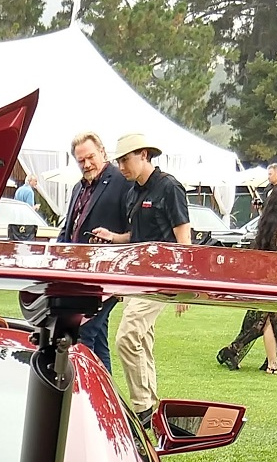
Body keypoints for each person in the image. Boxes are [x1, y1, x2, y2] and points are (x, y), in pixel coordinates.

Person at [102, 132, 192, 421]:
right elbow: (136, 237)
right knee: (142, 340)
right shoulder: (133, 192)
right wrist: (114, 238)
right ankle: (150, 407)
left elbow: (184, 241)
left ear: (144, 155)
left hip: (162, 279)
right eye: (119, 161)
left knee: (127, 338)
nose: (121, 166)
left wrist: (184, 285)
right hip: (136, 278)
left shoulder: (169, 188)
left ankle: (142, 408)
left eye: (126, 159)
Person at [60, 130, 134, 368]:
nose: (87, 164)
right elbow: (69, 230)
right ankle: (107, 398)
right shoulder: (77, 189)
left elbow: (135, 229)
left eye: (90, 157)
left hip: (107, 277)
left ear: (103, 152)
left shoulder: (122, 182)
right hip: (79, 277)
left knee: (84, 336)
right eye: (81, 160)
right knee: (98, 340)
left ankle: (83, 396)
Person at [216, 183, 277, 373]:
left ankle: (236, 350)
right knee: (269, 318)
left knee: (264, 320)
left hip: (276, 277)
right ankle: (272, 364)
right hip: (274, 278)